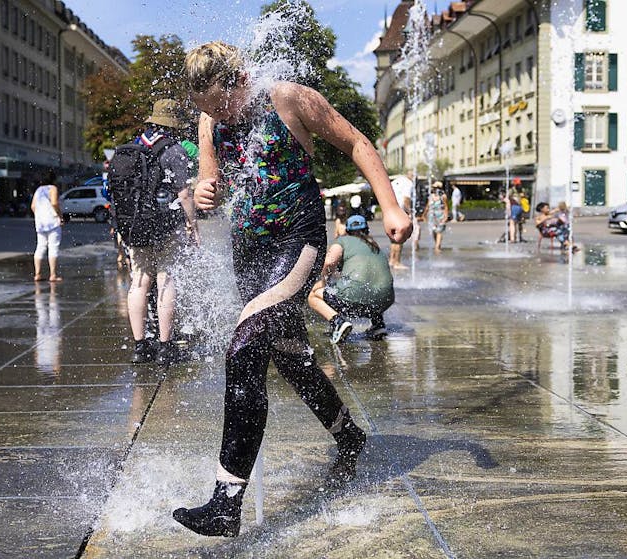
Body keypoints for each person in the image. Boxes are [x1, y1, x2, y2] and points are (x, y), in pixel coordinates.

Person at [173, 41, 412, 538]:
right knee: (289, 357)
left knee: (243, 348)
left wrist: (389, 206)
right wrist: (202, 193)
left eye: (221, 103)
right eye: (207, 110)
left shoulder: (287, 99)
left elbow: (357, 143)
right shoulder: (208, 122)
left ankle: (225, 500)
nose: (218, 116)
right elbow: (209, 191)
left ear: (239, 79)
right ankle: (348, 436)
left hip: (296, 240)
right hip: (249, 251)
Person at [121, 98, 198, 365]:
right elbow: (184, 194)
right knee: (166, 279)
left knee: (139, 281)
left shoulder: (132, 147)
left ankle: (140, 346)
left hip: (134, 225)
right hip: (165, 224)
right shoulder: (174, 150)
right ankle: (166, 346)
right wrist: (193, 224)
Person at [308, 215, 394, 343]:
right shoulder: (374, 245)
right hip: (385, 301)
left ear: (346, 230)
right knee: (371, 286)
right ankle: (378, 325)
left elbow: (329, 262)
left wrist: (323, 280)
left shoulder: (342, 240)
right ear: (367, 230)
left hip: (355, 298)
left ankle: (338, 322)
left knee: (313, 296)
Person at [30, 170, 63, 282]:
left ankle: (37, 274)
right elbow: (54, 203)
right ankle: (53, 275)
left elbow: (33, 206)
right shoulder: (53, 188)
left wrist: (40, 215)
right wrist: (60, 215)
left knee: (40, 247)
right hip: (52, 221)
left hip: (41, 223)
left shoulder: (38, 190)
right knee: (53, 247)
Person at [388, 171, 414, 269]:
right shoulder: (408, 183)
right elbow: (406, 200)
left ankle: (391, 260)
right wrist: (410, 212)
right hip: (400, 212)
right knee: (400, 238)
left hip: (390, 211)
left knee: (393, 238)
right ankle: (397, 262)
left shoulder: (396, 181)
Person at [423, 183, 448, 253]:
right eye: (434, 187)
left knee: (439, 231)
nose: (435, 189)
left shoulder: (443, 196)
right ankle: (437, 245)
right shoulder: (431, 196)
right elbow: (428, 206)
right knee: (434, 231)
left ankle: (437, 247)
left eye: (437, 187)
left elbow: (446, 207)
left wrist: (445, 216)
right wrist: (424, 214)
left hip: (440, 215)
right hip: (432, 216)